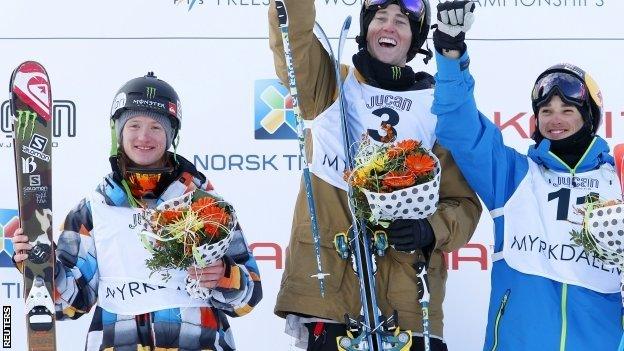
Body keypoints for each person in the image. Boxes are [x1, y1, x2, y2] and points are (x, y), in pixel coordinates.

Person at [268, 1, 482, 350]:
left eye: (401, 21)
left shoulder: (436, 109)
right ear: (366, 30)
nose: (389, 27)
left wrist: (429, 229)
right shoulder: (329, 87)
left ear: (414, 39)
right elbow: (293, 41)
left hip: (408, 304)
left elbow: (463, 205)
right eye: (380, 18)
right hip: (332, 296)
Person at [12, 72, 262, 350]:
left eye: (156, 127)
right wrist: (42, 267)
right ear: (118, 132)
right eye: (133, 125)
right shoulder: (94, 209)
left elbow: (249, 297)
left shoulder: (206, 205)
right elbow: (72, 304)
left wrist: (225, 276)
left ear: (171, 136)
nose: (144, 136)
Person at [431, 1, 622, 350]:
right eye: (546, 111)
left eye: (568, 110)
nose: (556, 119)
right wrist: (449, 50)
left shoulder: (618, 180)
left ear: (590, 118)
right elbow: (460, 126)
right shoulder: (514, 175)